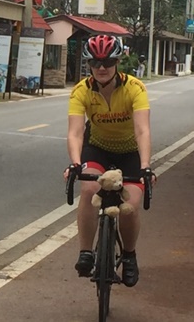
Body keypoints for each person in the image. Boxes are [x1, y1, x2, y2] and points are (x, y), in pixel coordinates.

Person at [65, 34, 155, 288]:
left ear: (117, 62)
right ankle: (85, 252)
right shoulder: (81, 90)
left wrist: (146, 166)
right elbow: (74, 132)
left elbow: (142, 131)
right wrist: (74, 162)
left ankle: (129, 256)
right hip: (98, 149)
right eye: (95, 62)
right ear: (88, 65)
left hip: (130, 152)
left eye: (107, 61)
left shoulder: (135, 87)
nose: (102, 67)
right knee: (89, 188)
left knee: (130, 206)